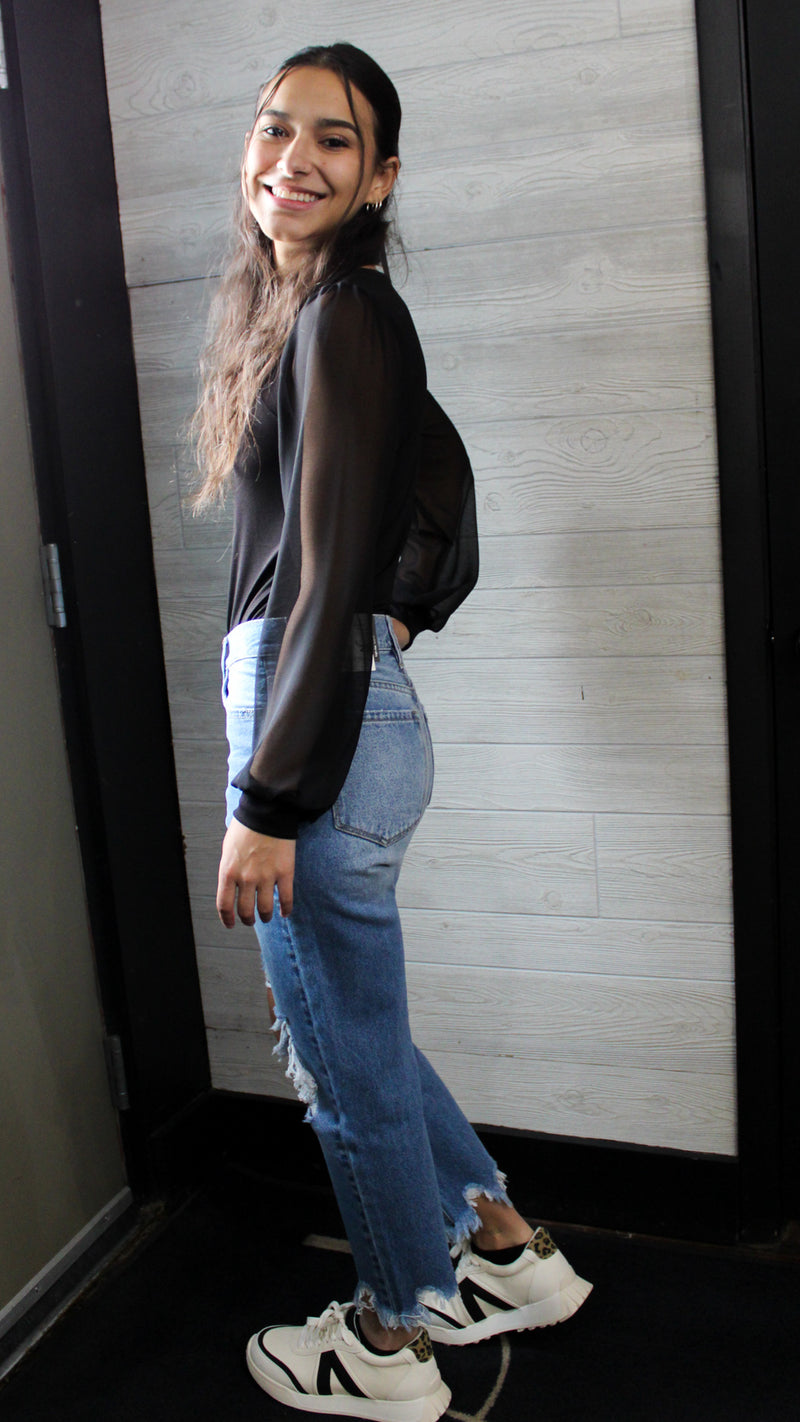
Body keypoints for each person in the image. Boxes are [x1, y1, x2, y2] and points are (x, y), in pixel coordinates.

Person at [193, 42, 592, 1422]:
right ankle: (507, 1251)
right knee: (355, 1033)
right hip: (340, 718)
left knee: (337, 1062)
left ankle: (386, 1339)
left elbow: (317, 579)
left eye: (335, 139)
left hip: (315, 733)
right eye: (275, 128)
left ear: (381, 177)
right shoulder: (321, 314)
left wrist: (268, 799)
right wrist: (398, 615)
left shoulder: (347, 314)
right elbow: (423, 483)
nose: (292, 158)